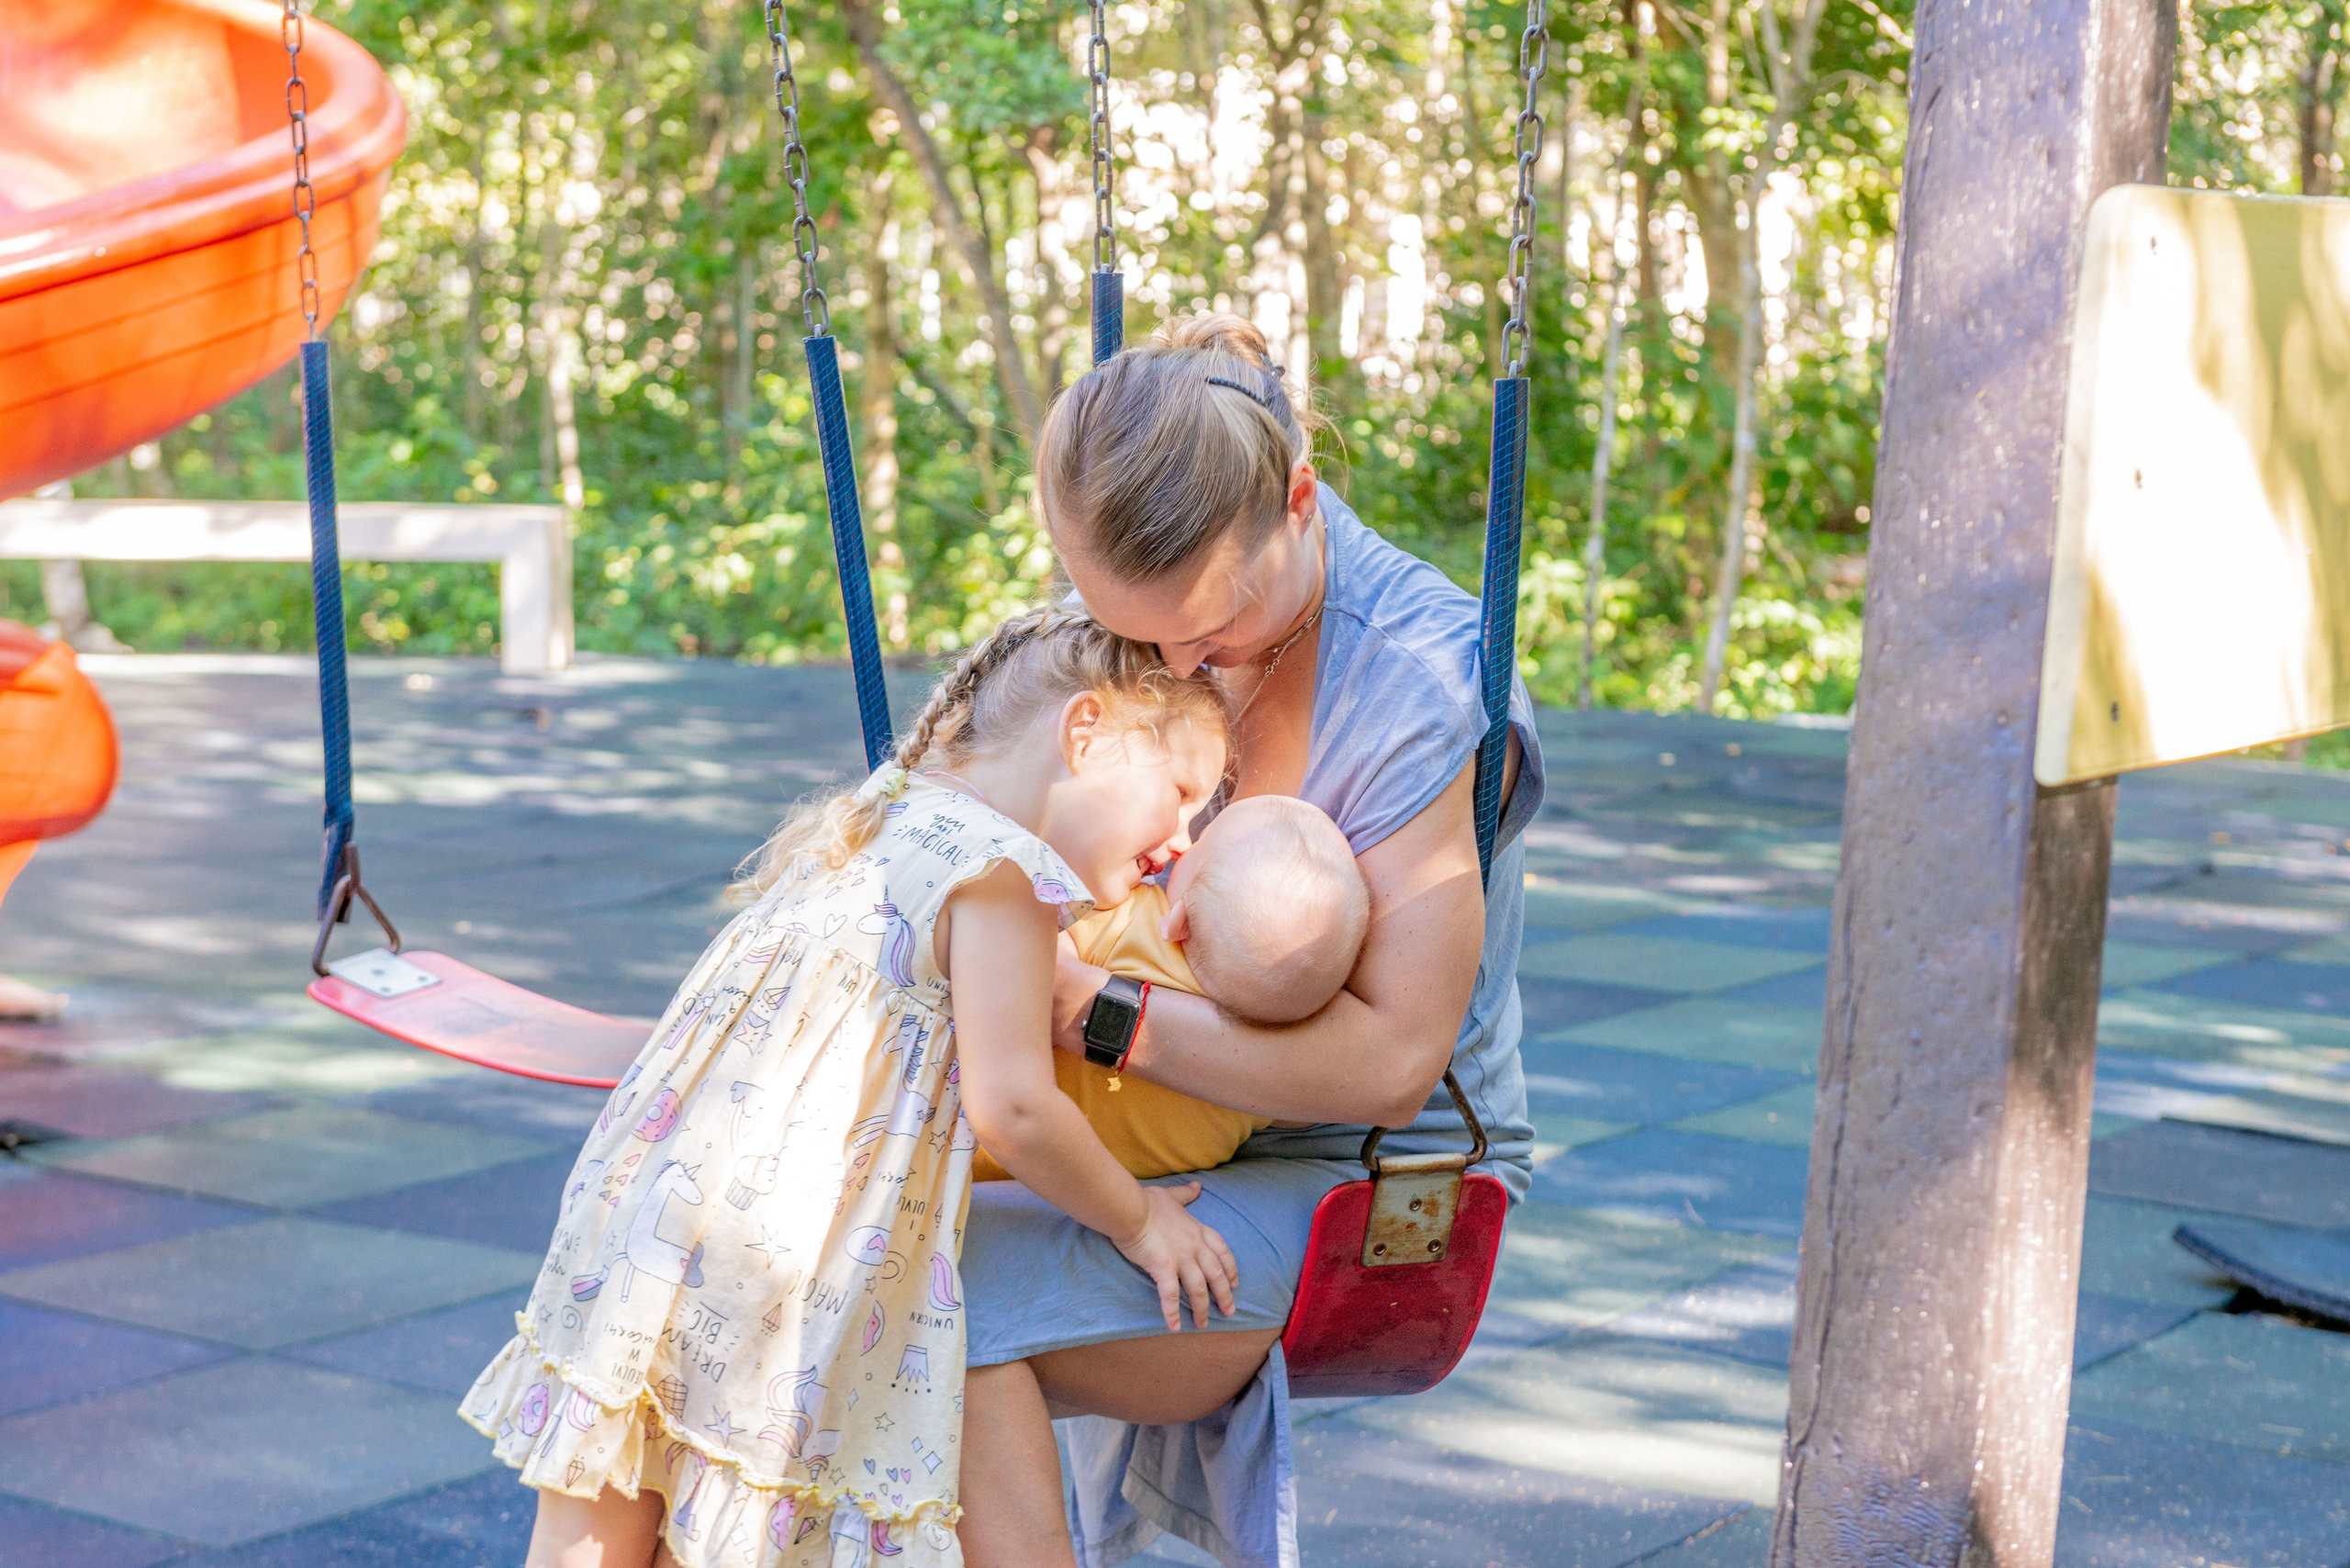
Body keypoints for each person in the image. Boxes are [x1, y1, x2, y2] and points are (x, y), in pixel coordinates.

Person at [462, 609, 1242, 1568]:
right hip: (771, 1262)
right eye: (1180, 792)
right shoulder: (1003, 876)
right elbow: (1018, 1107)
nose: (1183, 836)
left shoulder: (883, 813)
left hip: (648, 1214)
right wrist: (1139, 1221)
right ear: (1083, 734)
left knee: (603, 1521)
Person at [953, 313, 1546, 1568]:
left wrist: (1083, 1009)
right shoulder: (1149, 609)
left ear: (1300, 498)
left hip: (1361, 1177)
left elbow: (1391, 1068)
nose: (1172, 662)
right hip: (1144, 1109)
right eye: (1136, 627)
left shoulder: (1426, 686)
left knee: (933, 1306)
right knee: (821, 1248)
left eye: (1208, 630)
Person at [968, 794, 1369, 1184]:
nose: (1184, 846)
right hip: (1126, 1188)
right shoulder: (1266, 1080)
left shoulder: (1128, 920)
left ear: (1180, 923)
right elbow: (1300, 1115)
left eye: (1201, 846)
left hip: (983, 1156)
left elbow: (1029, 960)